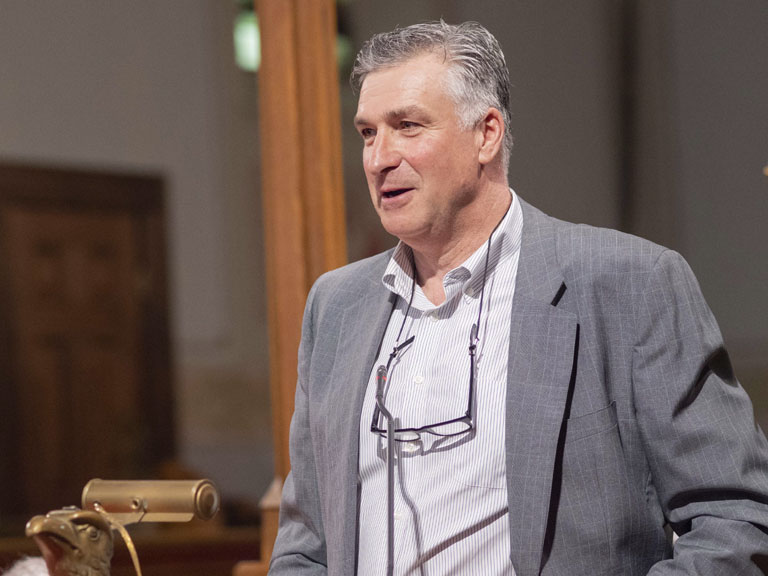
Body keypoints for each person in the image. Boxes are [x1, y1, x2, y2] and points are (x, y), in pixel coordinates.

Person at [268, 20, 768, 575]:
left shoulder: (629, 283)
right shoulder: (335, 307)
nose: (378, 158)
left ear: (486, 134)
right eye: (367, 133)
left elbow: (734, 519)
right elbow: (305, 547)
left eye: (407, 126)